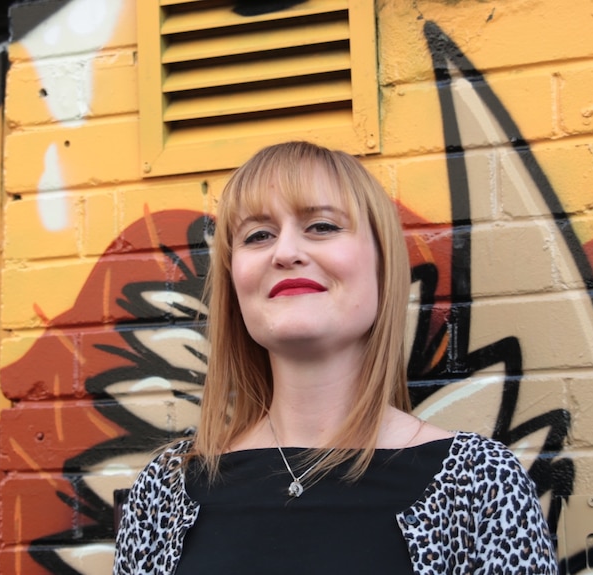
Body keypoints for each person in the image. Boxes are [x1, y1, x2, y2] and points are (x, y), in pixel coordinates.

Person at [113, 141, 558, 574]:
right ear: (234, 283)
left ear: (383, 266)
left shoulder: (479, 486)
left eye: (322, 226)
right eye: (258, 235)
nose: (285, 252)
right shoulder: (166, 492)